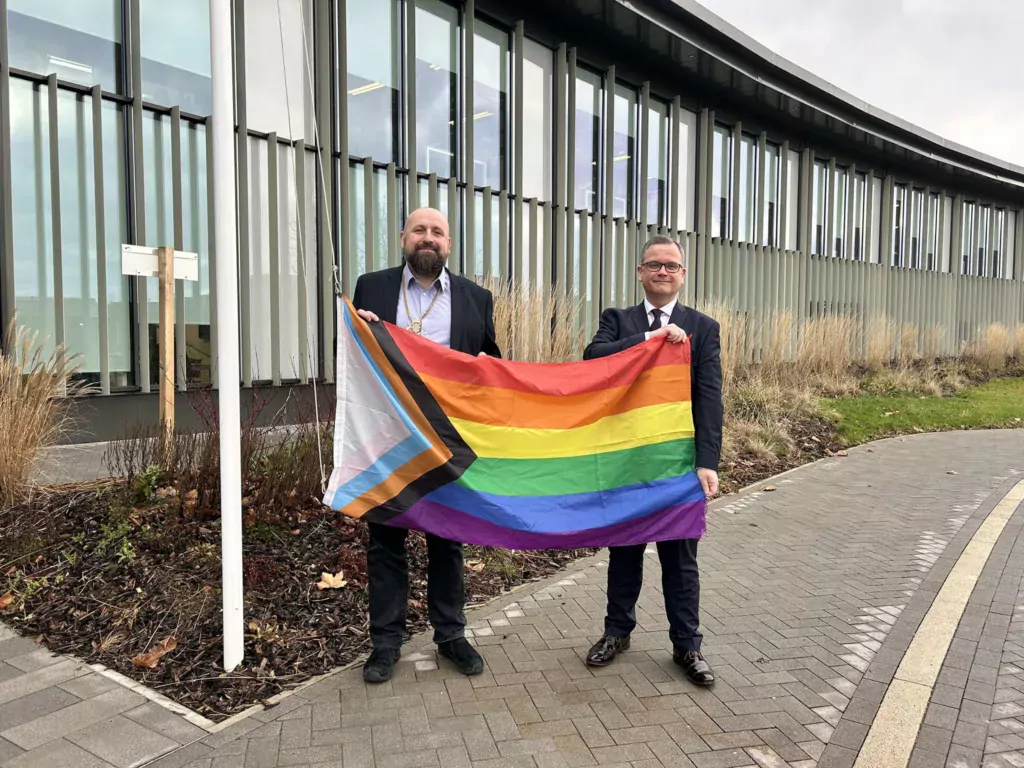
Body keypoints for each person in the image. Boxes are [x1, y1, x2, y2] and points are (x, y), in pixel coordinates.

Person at [352, 207, 501, 683]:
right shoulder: (371, 287)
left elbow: (491, 362)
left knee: (447, 538)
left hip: (448, 436)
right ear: (403, 239)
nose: (428, 238)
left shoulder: (477, 298)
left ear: (449, 244)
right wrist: (360, 330)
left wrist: (484, 368)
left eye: (437, 231)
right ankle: (385, 643)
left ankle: (451, 635)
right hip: (389, 434)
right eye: (420, 230)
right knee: (386, 540)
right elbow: (351, 353)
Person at [581, 234, 723, 687]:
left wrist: (707, 460)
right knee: (624, 552)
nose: (662, 271)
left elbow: (708, 397)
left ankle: (687, 645)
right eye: (653, 265)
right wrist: (651, 338)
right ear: (640, 273)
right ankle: (616, 632)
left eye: (671, 265)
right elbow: (593, 359)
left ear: (683, 275)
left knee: (680, 559)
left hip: (677, 464)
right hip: (628, 463)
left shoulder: (704, 327)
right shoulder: (617, 320)